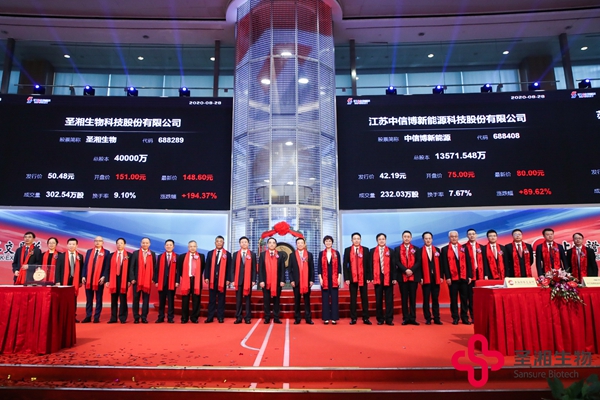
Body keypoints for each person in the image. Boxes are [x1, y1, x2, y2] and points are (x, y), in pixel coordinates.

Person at [441, 230, 471, 325]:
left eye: (455, 236)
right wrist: (447, 277)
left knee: (464, 299)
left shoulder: (463, 248)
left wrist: (469, 276)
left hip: (463, 277)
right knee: (453, 299)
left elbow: (468, 262)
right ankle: (455, 317)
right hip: (452, 279)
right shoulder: (445, 249)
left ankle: (464, 317)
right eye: (452, 236)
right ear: (449, 238)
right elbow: (444, 265)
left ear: (458, 237)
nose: (454, 238)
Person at [342, 232, 372, 325]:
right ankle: (353, 318)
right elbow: (345, 265)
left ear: (360, 240)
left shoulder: (365, 250)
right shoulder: (347, 250)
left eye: (358, 239)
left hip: (363, 277)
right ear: (351, 240)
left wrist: (369, 276)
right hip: (352, 277)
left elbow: (368, 264)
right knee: (353, 298)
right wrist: (346, 278)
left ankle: (365, 318)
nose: (356, 240)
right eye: (354, 239)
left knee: (364, 298)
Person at [81, 236, 111, 323]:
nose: (98, 242)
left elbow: (106, 266)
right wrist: (83, 276)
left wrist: (104, 276)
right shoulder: (89, 251)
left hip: (99, 279)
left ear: (103, 242)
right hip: (88, 279)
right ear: (94, 242)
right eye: (96, 241)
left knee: (98, 298)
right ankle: (88, 316)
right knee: (89, 299)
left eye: (99, 241)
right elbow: (85, 265)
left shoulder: (106, 252)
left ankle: (97, 316)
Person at [395, 230, 421, 326]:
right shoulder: (397, 249)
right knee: (404, 298)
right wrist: (405, 270)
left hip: (413, 277)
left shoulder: (416, 249)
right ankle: (405, 318)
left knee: (413, 298)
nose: (406, 238)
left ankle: (413, 318)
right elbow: (397, 261)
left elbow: (418, 262)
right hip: (402, 277)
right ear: (402, 238)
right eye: (405, 236)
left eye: (408, 236)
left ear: (411, 238)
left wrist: (411, 270)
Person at [204, 235, 232, 323]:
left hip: (222, 280)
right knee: (211, 299)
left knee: (221, 299)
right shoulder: (210, 253)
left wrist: (228, 279)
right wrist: (206, 277)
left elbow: (229, 268)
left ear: (223, 243)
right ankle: (210, 317)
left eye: (221, 241)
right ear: (215, 243)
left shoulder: (227, 254)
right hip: (212, 279)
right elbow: (207, 266)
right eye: (217, 241)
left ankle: (220, 317)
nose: (219, 243)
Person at [55, 237, 84, 322]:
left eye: (73, 244)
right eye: (70, 244)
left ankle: (72, 316)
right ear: (67, 245)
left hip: (75, 280)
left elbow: (81, 269)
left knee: (73, 299)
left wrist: (80, 281)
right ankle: (62, 317)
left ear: (76, 245)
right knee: (63, 299)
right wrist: (57, 281)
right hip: (63, 280)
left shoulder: (80, 256)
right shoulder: (61, 256)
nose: (71, 246)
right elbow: (57, 269)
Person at [371, 233, 397, 326]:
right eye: (380, 239)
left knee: (389, 299)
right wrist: (371, 277)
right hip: (377, 277)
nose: (381, 241)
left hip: (388, 277)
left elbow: (394, 266)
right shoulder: (372, 251)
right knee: (379, 299)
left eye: (383, 239)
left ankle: (389, 319)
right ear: (377, 241)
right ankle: (380, 319)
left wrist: (394, 278)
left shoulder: (391, 251)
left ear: (385, 240)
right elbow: (370, 265)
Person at [129, 237, 157, 324]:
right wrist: (132, 278)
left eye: (147, 243)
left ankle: (144, 317)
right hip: (137, 281)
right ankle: (136, 317)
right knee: (136, 300)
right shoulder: (135, 253)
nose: (145, 244)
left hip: (147, 281)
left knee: (146, 300)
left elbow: (154, 267)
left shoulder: (152, 254)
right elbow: (131, 267)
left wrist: (153, 278)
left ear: (149, 244)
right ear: (141, 243)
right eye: (143, 243)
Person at [258, 237, 285, 324]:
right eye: (270, 242)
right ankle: (267, 317)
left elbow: (282, 269)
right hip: (266, 282)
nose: (272, 244)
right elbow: (260, 269)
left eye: (273, 242)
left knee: (277, 300)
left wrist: (282, 280)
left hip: (277, 281)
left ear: (276, 244)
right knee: (266, 301)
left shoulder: (280, 255)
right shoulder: (263, 255)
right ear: (267, 244)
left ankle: (276, 317)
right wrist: (261, 280)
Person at [288, 237, 315, 325]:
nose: (300, 244)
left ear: (304, 244)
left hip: (307, 281)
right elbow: (290, 269)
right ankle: (297, 318)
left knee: (307, 301)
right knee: (297, 301)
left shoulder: (309, 255)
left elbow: (312, 268)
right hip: (296, 281)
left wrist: (311, 280)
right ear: (296, 245)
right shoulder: (292, 255)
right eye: (298, 243)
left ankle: (308, 318)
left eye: (301, 243)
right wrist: (291, 280)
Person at [177, 240, 205, 324]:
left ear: (197, 247)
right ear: (188, 247)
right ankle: (184, 318)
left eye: (194, 246)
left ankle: (194, 317)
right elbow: (179, 269)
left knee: (196, 300)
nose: (192, 248)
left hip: (196, 280)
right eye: (191, 246)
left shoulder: (201, 256)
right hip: (186, 279)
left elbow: (203, 267)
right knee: (185, 300)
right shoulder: (182, 256)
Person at [105, 237, 132, 324]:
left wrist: (129, 280)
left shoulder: (129, 255)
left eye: (121, 243)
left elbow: (130, 269)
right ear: (116, 244)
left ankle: (123, 317)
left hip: (124, 279)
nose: (119, 245)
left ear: (124, 244)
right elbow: (107, 268)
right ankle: (113, 318)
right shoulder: (111, 255)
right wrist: (107, 280)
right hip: (113, 279)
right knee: (113, 299)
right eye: (118, 243)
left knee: (123, 299)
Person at [232, 236, 257, 324]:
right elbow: (232, 268)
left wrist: (253, 280)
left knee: (247, 300)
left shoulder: (252, 254)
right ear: (240, 244)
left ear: (248, 243)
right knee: (238, 300)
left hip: (248, 280)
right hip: (238, 280)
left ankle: (247, 317)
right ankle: (238, 317)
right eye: (242, 242)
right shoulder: (235, 254)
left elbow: (254, 269)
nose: (244, 243)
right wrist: (233, 280)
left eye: (245, 242)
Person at [420, 232, 443, 325]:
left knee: (435, 299)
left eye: (429, 238)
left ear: (432, 239)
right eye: (426, 238)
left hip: (435, 278)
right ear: (423, 240)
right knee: (426, 299)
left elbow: (441, 264)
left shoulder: (437, 250)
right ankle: (428, 318)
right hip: (425, 278)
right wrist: (420, 277)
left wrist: (441, 276)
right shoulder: (420, 251)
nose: (428, 240)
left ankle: (436, 317)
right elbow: (418, 266)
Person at [318, 235, 341, 325]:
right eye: (326, 241)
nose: (328, 243)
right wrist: (320, 278)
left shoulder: (336, 253)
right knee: (325, 298)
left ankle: (334, 318)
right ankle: (326, 318)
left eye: (329, 241)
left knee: (334, 298)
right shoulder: (321, 253)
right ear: (324, 243)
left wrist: (339, 278)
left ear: (332, 242)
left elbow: (339, 266)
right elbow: (319, 267)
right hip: (325, 279)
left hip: (334, 278)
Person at [464, 228, 486, 322]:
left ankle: (480, 315)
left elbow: (485, 262)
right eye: (469, 234)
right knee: (470, 296)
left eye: (473, 234)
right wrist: (467, 275)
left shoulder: (482, 247)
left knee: (480, 296)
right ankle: (472, 316)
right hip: (469, 275)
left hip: (480, 273)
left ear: (476, 235)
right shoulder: (463, 248)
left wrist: (485, 274)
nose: (472, 235)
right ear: (467, 236)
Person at [154, 239, 178, 323]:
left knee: (171, 301)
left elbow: (178, 271)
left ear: (173, 246)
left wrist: (177, 281)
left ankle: (170, 317)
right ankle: (161, 317)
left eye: (170, 245)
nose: (168, 246)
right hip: (162, 282)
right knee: (162, 301)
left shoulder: (177, 256)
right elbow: (156, 269)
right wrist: (156, 281)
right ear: (165, 246)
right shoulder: (160, 256)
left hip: (172, 282)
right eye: (167, 245)